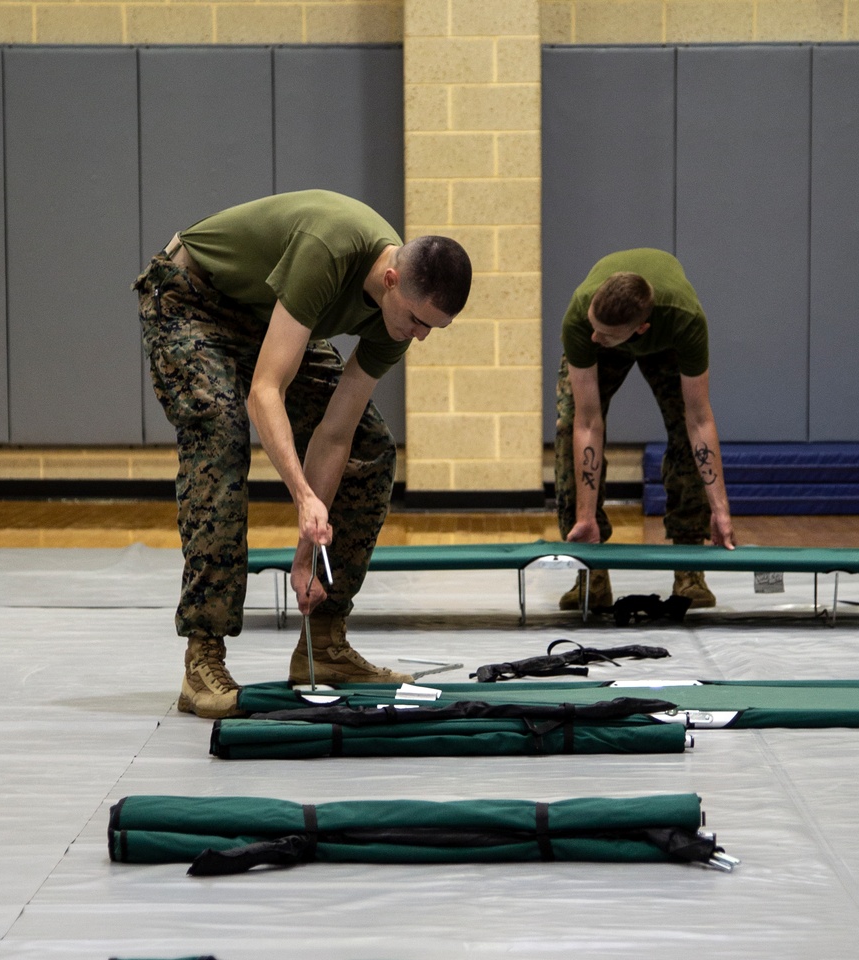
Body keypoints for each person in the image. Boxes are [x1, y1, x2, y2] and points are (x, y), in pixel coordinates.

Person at [134, 190, 472, 717]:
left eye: (434, 327)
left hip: (270, 316)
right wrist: (302, 496)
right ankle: (203, 657)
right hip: (193, 298)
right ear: (391, 280)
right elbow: (265, 391)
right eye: (417, 320)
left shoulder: (401, 320)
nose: (421, 336)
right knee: (220, 441)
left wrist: (306, 554)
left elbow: (337, 433)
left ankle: (325, 643)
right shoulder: (330, 248)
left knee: (371, 446)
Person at [554, 249, 735, 615]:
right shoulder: (582, 322)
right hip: (608, 339)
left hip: (665, 343)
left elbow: (700, 419)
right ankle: (591, 568)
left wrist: (721, 510)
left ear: (641, 331)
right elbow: (588, 423)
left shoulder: (684, 319)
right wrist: (586, 517)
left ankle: (689, 568)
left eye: (603, 333)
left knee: (686, 437)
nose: (594, 335)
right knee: (567, 431)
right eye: (593, 325)